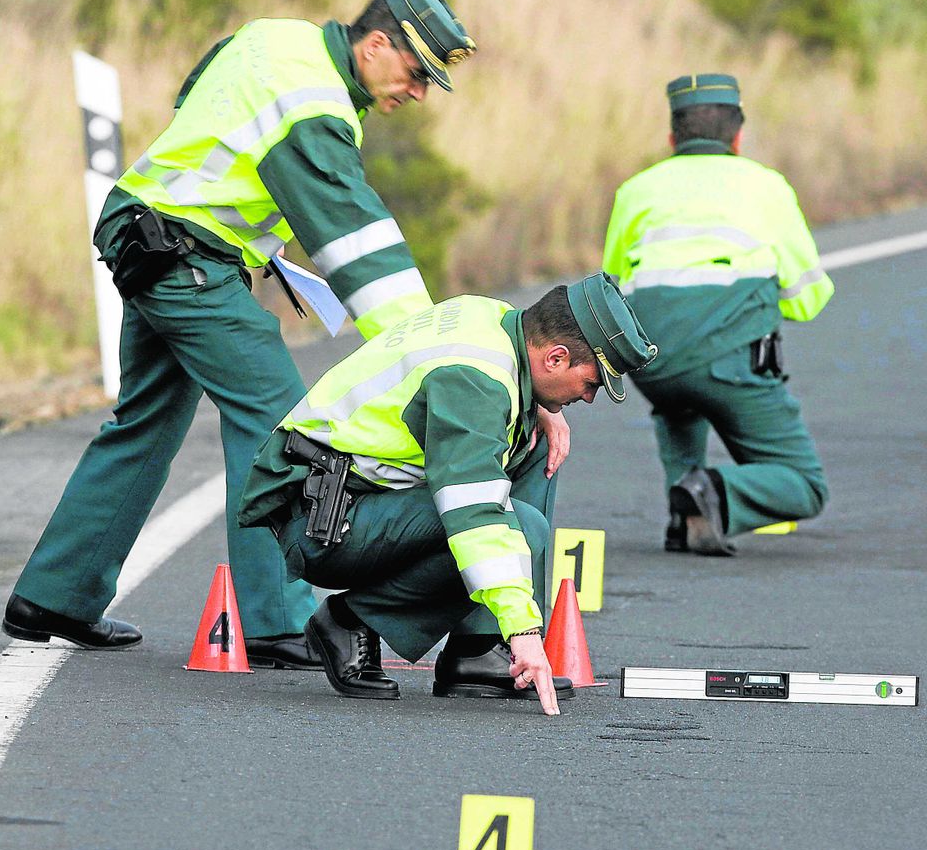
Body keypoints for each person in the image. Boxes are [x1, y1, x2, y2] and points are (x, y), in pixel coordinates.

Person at [2, 0, 480, 656]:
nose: (419, 91)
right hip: (187, 255)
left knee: (144, 422)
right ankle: (276, 620)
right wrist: (438, 354)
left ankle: (52, 595)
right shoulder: (317, 107)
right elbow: (359, 245)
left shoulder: (274, 37)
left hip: (147, 231)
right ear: (376, 44)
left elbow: (194, 98)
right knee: (279, 420)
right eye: (415, 71)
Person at [237, 274, 657, 716]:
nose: (589, 398)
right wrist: (525, 630)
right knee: (519, 526)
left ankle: (476, 650)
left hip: (354, 496)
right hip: (322, 522)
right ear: (555, 357)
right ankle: (350, 620)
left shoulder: (494, 319)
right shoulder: (473, 380)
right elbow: (474, 511)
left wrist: (537, 406)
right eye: (591, 383)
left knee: (534, 441)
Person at [601, 73, 834, 556]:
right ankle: (713, 493)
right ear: (738, 137)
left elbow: (613, 284)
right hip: (728, 361)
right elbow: (809, 296)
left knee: (678, 402)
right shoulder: (766, 185)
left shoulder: (636, 190)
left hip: (653, 363)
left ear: (672, 138)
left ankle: (682, 515)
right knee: (805, 484)